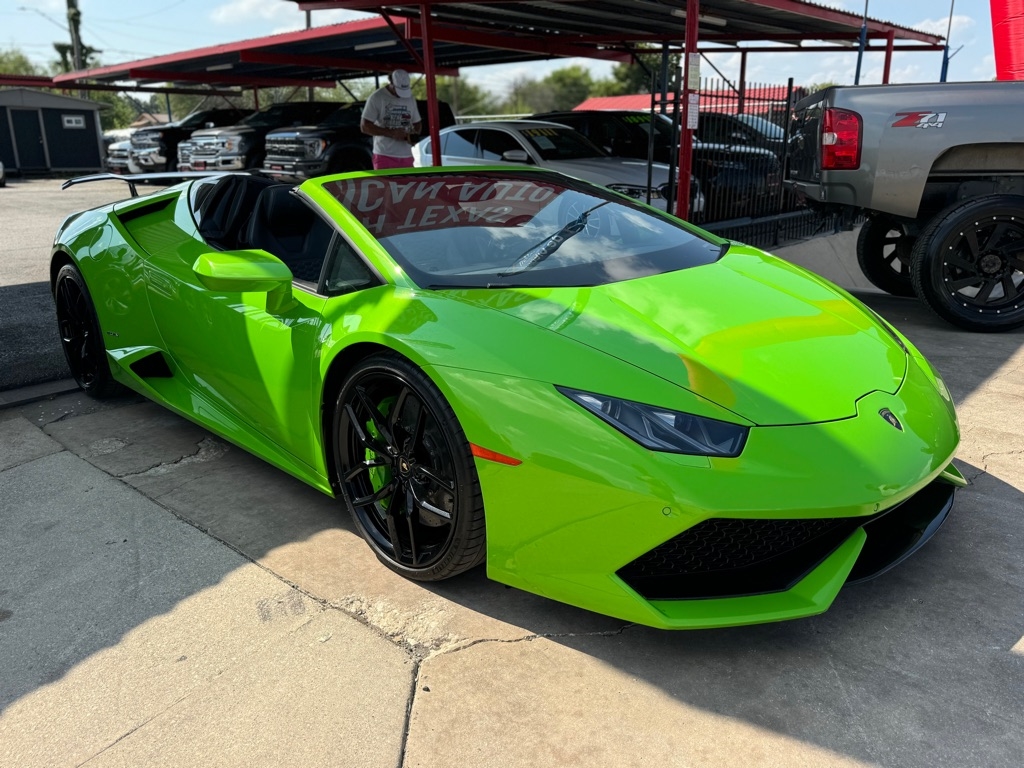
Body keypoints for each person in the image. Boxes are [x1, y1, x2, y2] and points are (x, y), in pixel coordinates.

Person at [360, 69, 422, 170]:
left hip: (407, 155)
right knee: (386, 185)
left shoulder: (410, 98)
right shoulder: (377, 97)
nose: (400, 95)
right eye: (398, 91)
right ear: (391, 83)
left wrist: (413, 135)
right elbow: (364, 126)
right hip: (384, 155)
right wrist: (391, 133)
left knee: (407, 185)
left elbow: (417, 123)